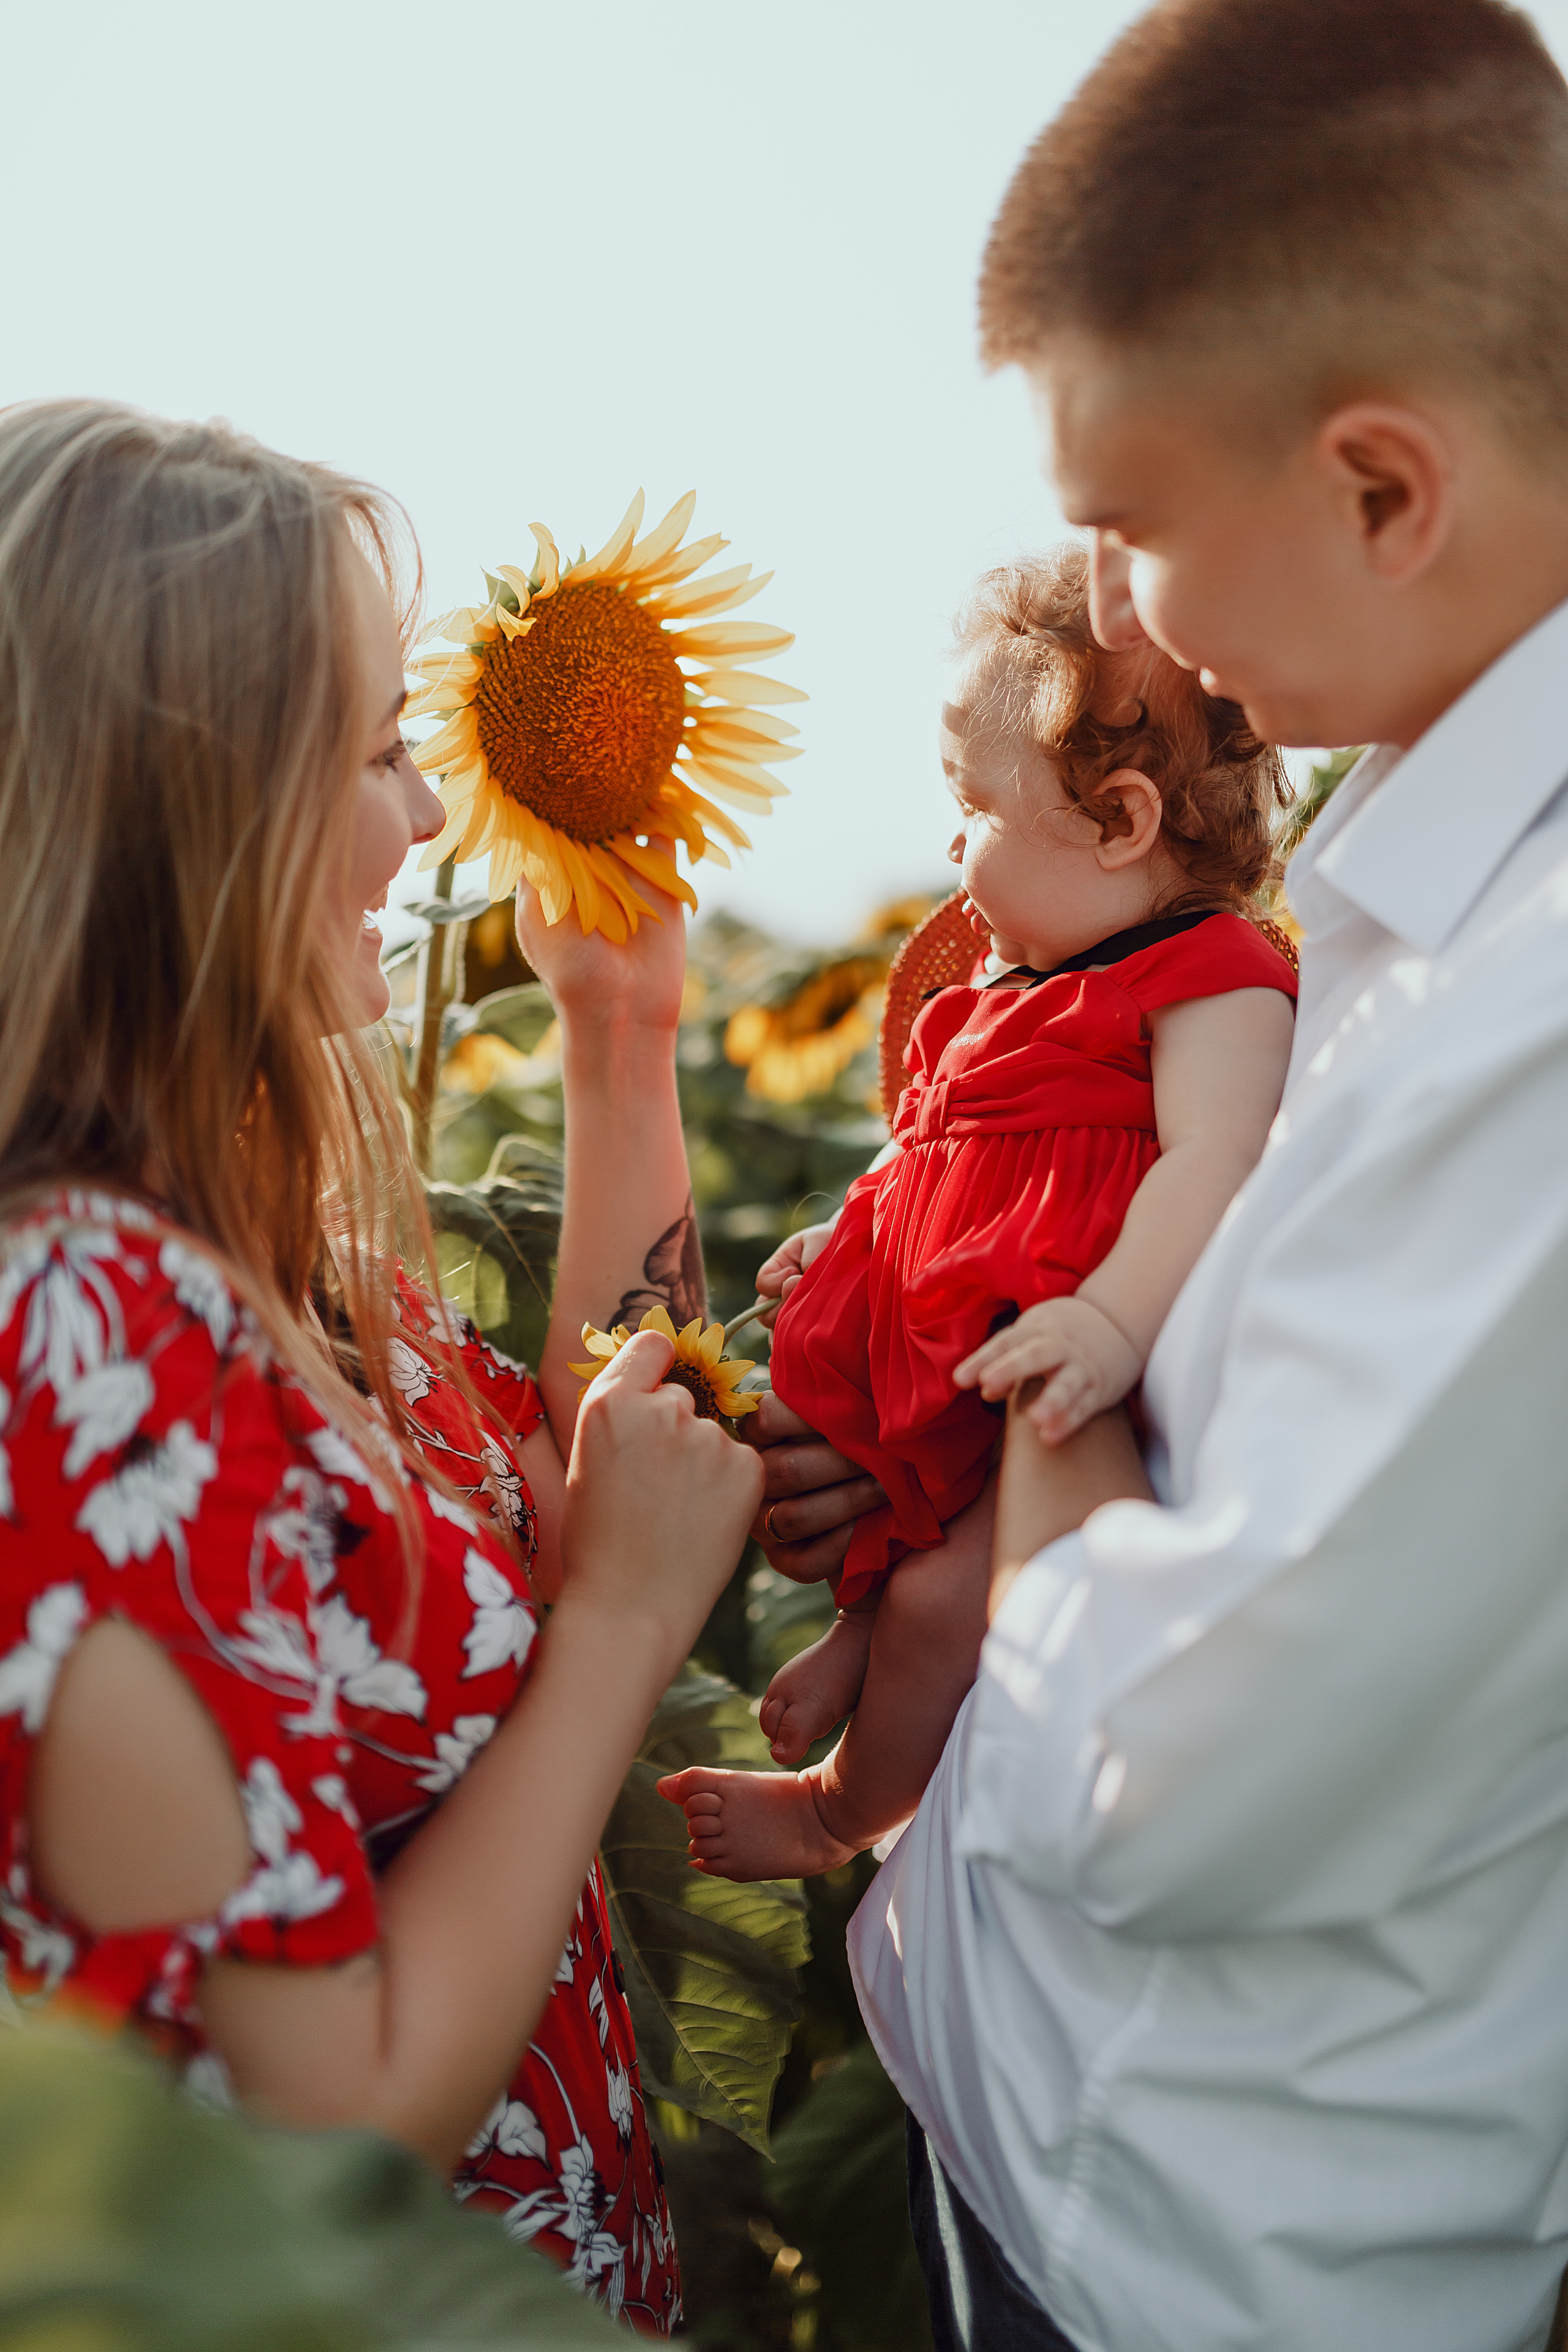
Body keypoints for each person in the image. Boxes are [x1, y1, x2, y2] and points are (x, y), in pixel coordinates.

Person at [825, 3, 1568, 2348]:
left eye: (1132, 526)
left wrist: (1067, 1416)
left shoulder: (1536, 1014)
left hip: (1187, 2270)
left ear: (1380, 489)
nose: (1124, 623)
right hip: (1058, 2158)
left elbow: (1163, 1786)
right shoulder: (1403, 899)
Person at [0, 401, 763, 2339]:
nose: (430, 820)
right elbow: (320, 2125)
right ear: (196, 799)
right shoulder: (88, 1333)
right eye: (377, 749)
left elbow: (584, 1456)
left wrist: (620, 1040)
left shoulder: (284, 1256)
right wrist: (613, 1634)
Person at [659, 548, 1297, 1881]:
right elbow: (933, 1145)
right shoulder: (1004, 992)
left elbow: (1211, 1158)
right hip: (947, 1347)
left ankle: (842, 1812)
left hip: (1037, 1351)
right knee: (894, 1509)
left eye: (969, 805)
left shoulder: (1213, 979)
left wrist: (1109, 1323)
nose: (949, 846)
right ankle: (863, 1635)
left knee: (955, 1584)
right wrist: (849, 1236)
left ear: (1118, 822)